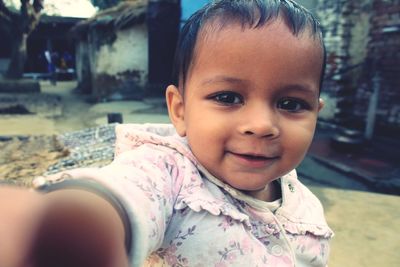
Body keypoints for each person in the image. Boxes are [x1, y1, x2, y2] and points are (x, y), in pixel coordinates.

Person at [0, 0, 333, 266]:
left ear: (315, 112)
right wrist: (72, 221)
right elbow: (127, 192)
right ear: (180, 110)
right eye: (227, 97)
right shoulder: (170, 173)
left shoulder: (301, 200)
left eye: (290, 103)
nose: (261, 125)